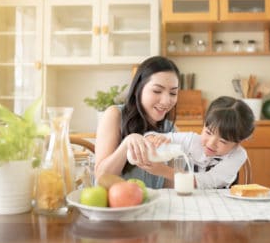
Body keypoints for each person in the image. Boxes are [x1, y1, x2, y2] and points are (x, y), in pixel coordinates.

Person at [94, 56, 181, 189]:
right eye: (157, 91)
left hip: (153, 207)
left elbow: (171, 191)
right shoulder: (115, 115)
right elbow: (101, 179)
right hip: (118, 207)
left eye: (173, 93)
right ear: (137, 89)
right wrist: (126, 144)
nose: (166, 101)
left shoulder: (171, 130)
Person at [146, 96, 255, 189]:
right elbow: (151, 137)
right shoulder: (192, 140)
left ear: (238, 142)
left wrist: (163, 170)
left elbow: (208, 180)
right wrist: (154, 139)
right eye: (208, 132)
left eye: (223, 141)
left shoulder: (238, 155)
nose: (211, 143)